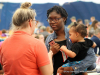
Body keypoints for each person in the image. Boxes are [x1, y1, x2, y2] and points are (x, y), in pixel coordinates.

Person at [0, 2, 53, 75]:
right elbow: (48, 73)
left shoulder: (4, 44)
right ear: (30, 22)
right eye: (35, 22)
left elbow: (5, 69)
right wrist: (49, 55)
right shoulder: (37, 44)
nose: (35, 24)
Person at [45, 5, 96, 75]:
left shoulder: (75, 34)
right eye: (50, 19)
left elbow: (92, 58)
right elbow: (45, 62)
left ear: (64, 18)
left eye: (56, 19)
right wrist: (51, 53)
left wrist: (73, 69)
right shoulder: (49, 39)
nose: (52, 22)